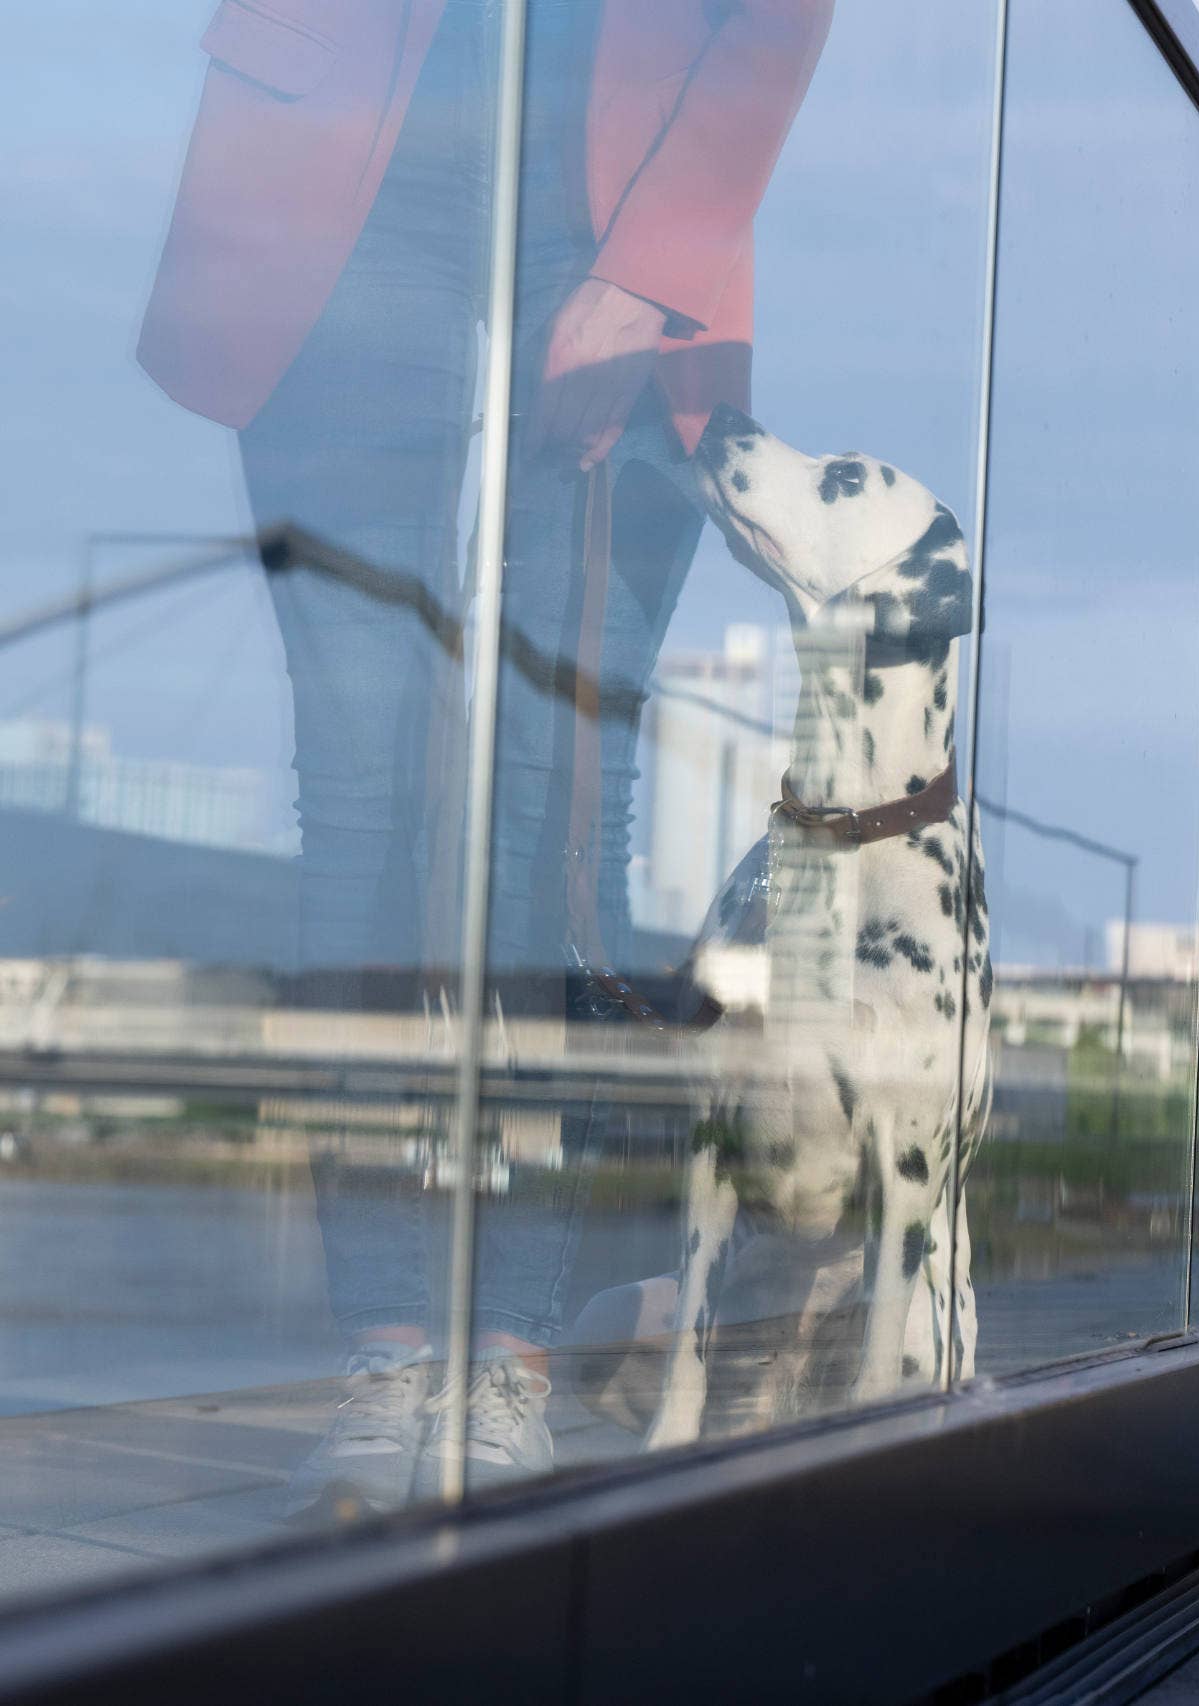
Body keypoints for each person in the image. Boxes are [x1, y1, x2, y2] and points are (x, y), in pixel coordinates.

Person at [138, 0, 828, 1517]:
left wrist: (652, 268)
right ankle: (388, 1351)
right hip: (342, 162)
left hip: (632, 167)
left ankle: (507, 1350)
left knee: (553, 807)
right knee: (363, 793)